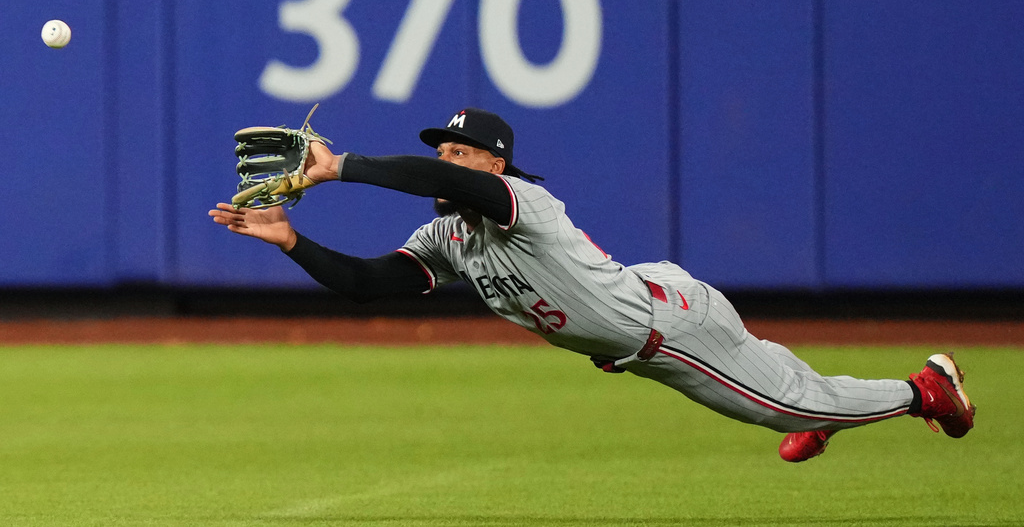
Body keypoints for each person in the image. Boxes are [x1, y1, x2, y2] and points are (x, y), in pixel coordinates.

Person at [208, 107, 975, 462]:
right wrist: (291, 241)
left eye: (462, 153)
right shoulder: (446, 237)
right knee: (782, 389)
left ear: (494, 166)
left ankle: (925, 388)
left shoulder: (521, 204)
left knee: (784, 407)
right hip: (644, 326)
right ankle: (824, 407)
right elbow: (370, 285)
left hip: (671, 328)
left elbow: (432, 181)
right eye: (442, 147)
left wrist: (339, 167)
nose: (447, 158)